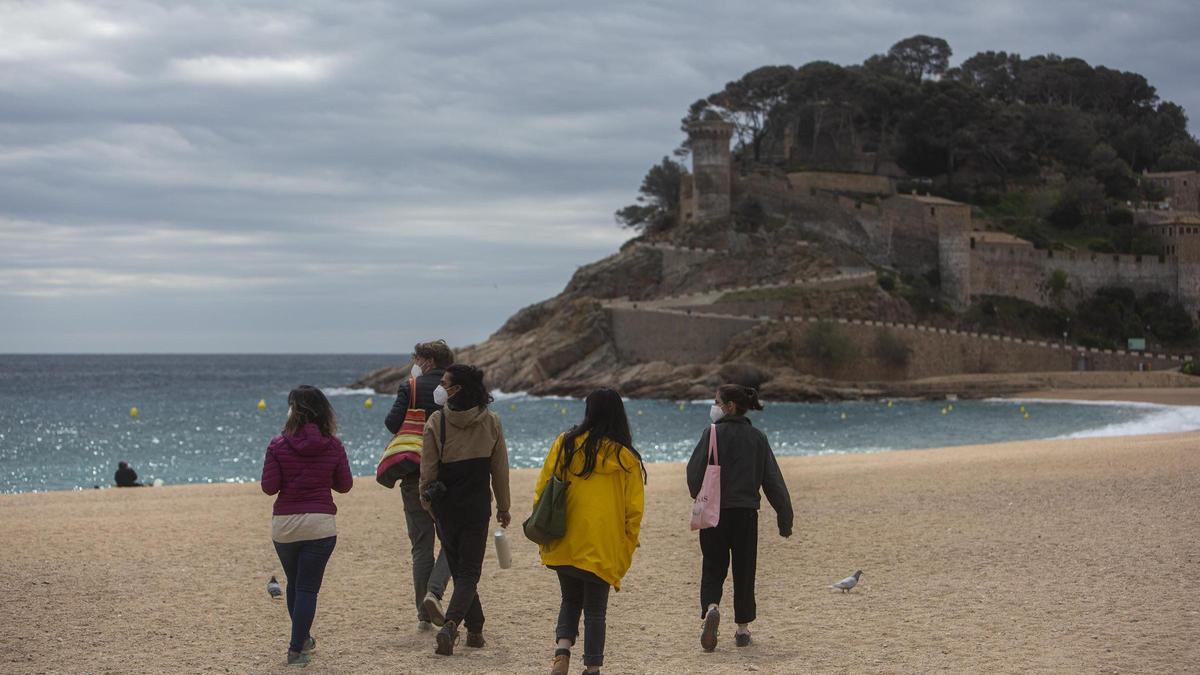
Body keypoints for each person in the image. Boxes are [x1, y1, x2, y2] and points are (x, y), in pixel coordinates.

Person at [536, 388, 645, 675]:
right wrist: (626, 547)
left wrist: (543, 530)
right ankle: (593, 668)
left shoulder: (566, 443)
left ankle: (562, 650)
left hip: (564, 538)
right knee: (596, 610)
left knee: (570, 599)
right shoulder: (626, 459)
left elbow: (544, 488)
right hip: (602, 544)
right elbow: (633, 512)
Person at [686, 384, 793, 652]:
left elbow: (693, 474)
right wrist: (784, 517)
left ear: (730, 406)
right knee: (745, 570)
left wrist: (696, 493)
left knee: (713, 565)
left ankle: (712, 607)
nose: (714, 407)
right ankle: (743, 629)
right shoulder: (758, 438)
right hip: (746, 514)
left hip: (715, 513)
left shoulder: (711, 434)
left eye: (717, 401)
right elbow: (773, 481)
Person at [419, 364, 511, 656]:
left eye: (445, 382)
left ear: (456, 389)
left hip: (445, 507)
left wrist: (428, 506)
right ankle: (459, 626)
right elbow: (500, 471)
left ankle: (471, 628)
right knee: (468, 571)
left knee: (461, 570)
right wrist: (504, 506)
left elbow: (427, 474)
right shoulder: (491, 422)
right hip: (477, 506)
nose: (440, 386)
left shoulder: (437, 422)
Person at [261, 385, 353, 667]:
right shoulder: (333, 445)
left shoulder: (278, 444)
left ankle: (301, 641)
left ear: (293, 411)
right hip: (320, 525)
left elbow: (269, 487)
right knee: (307, 589)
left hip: (286, 526)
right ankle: (296, 647)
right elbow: (345, 485)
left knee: (296, 584)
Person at [384, 340, 454, 630]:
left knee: (421, 545)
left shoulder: (410, 387)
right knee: (453, 540)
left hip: (414, 472)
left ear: (427, 360)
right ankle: (434, 592)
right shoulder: (456, 387)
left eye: (416, 357)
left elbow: (391, 423)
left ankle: (424, 612)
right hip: (450, 474)